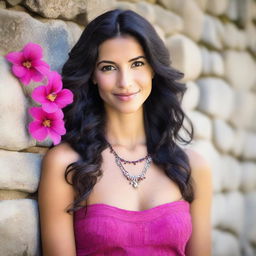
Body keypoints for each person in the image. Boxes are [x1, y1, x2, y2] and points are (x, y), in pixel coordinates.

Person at [38, 8, 212, 256]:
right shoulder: (66, 165)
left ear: (153, 68)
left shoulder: (192, 167)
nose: (125, 82)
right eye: (109, 67)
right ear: (93, 76)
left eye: (137, 64)